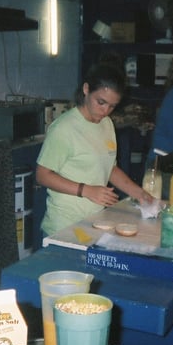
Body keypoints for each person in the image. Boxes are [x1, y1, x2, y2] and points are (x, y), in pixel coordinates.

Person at [36, 62, 153, 237]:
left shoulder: (106, 124)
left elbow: (110, 169)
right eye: (101, 102)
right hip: (65, 225)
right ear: (86, 89)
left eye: (112, 106)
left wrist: (140, 194)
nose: (106, 110)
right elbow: (42, 175)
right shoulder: (64, 128)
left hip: (95, 221)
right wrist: (87, 190)